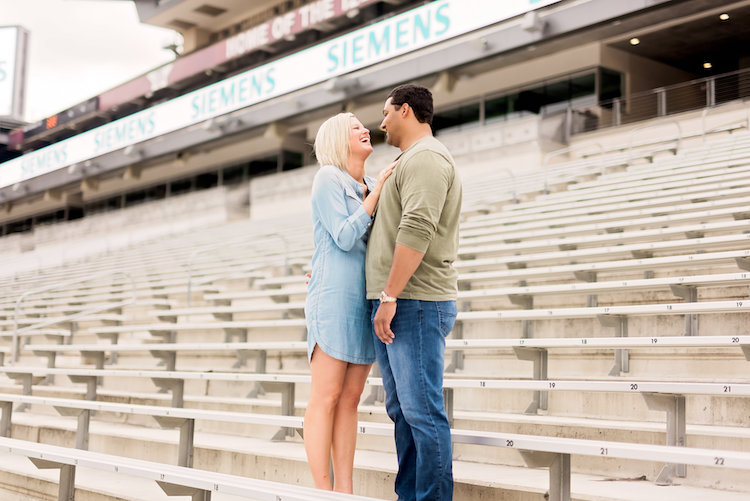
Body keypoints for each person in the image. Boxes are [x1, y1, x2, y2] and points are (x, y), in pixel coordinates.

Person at [365, 84, 462, 501]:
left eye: (386, 113)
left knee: (422, 413)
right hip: (400, 302)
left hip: (414, 302)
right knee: (402, 413)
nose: (381, 122)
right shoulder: (408, 160)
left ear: (406, 110)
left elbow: (417, 230)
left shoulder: (426, 159)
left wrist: (389, 297)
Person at [304, 112, 395, 493]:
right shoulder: (328, 177)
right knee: (326, 396)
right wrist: (375, 196)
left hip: (364, 299)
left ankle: (346, 489)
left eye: (364, 125)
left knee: (351, 399)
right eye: (354, 126)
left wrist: (377, 192)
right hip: (332, 298)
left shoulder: (374, 183)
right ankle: (322, 490)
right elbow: (343, 236)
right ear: (338, 138)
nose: (364, 129)